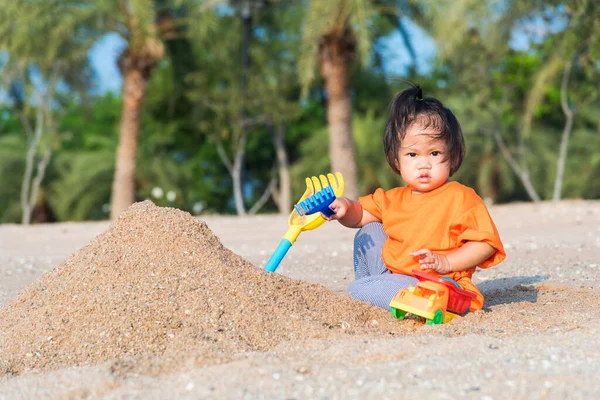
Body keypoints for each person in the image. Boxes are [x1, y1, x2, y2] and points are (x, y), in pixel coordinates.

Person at [328, 84, 505, 312]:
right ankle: (378, 294)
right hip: (394, 280)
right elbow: (360, 214)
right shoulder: (392, 199)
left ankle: (383, 296)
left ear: (452, 157)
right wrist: (344, 207)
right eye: (412, 154)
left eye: (434, 153)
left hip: (439, 285)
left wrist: (446, 262)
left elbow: (485, 243)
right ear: (396, 160)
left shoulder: (460, 197)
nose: (424, 163)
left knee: (357, 290)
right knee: (368, 232)